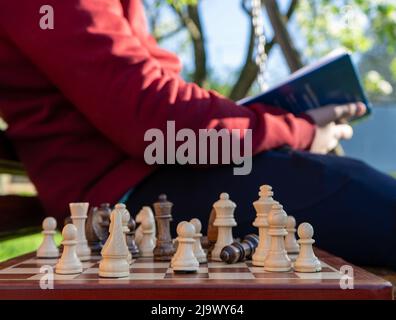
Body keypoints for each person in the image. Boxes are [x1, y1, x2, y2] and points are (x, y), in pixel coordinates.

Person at [0, 0, 394, 268]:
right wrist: (300, 131)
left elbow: (155, 104)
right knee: (356, 192)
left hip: (150, 178)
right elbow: (155, 120)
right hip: (121, 201)